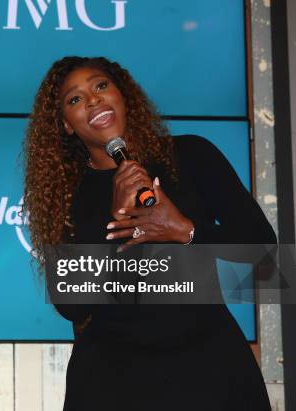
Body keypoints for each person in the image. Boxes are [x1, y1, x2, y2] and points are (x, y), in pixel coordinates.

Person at [22, 57, 276, 410]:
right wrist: (115, 216)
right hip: (113, 377)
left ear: (123, 95)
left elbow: (265, 262)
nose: (93, 100)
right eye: (74, 99)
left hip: (209, 366)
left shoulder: (191, 155)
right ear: (67, 125)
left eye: (100, 86)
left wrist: (184, 230)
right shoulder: (66, 192)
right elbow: (72, 305)